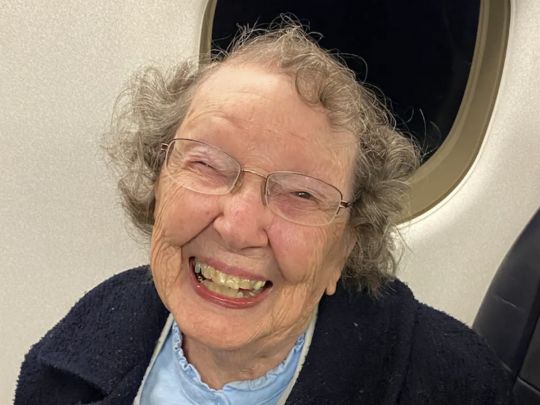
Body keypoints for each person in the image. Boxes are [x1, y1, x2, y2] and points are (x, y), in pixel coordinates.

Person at [15, 21, 513, 404]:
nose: (237, 227)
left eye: (301, 194)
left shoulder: (454, 383)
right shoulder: (71, 355)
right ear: (158, 184)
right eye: (207, 165)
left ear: (346, 246)